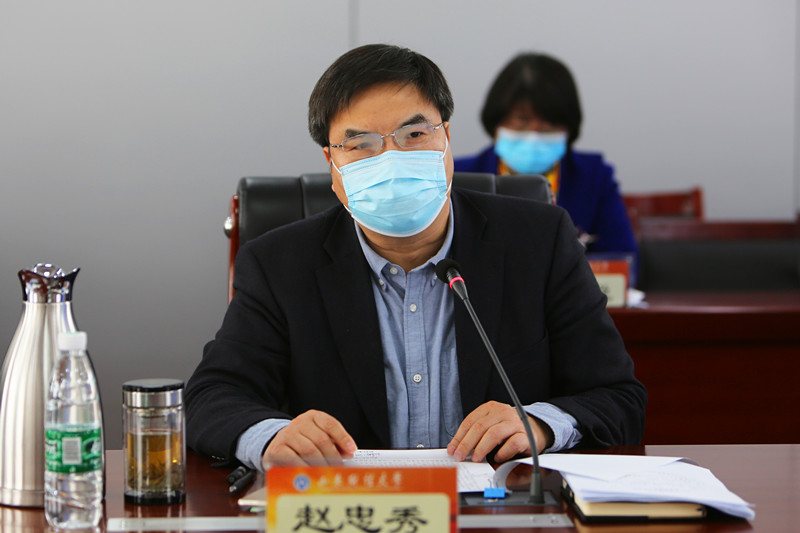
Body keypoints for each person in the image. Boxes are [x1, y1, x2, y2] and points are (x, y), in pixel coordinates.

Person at [185, 44, 646, 470]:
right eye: (361, 144)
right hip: (353, 508)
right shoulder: (278, 264)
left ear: (446, 139)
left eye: (414, 133)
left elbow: (618, 397)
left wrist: (541, 425)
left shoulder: (540, 241)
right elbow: (212, 396)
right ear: (332, 166)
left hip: (498, 507)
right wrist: (272, 436)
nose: (391, 159)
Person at [454, 52, 637, 257]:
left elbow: (623, 257)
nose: (534, 135)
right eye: (522, 120)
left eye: (549, 124)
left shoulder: (595, 177)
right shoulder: (458, 176)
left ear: (568, 127)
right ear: (496, 122)